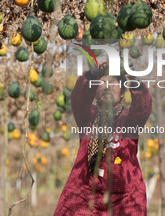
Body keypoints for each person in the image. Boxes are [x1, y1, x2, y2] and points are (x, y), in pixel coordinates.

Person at [54, 62, 152, 215]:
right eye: (102, 82)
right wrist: (93, 73)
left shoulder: (129, 119)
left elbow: (143, 108)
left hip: (124, 196)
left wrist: (134, 79)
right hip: (84, 192)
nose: (107, 87)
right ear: (94, 91)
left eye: (112, 82)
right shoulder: (87, 115)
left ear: (122, 93)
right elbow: (78, 97)